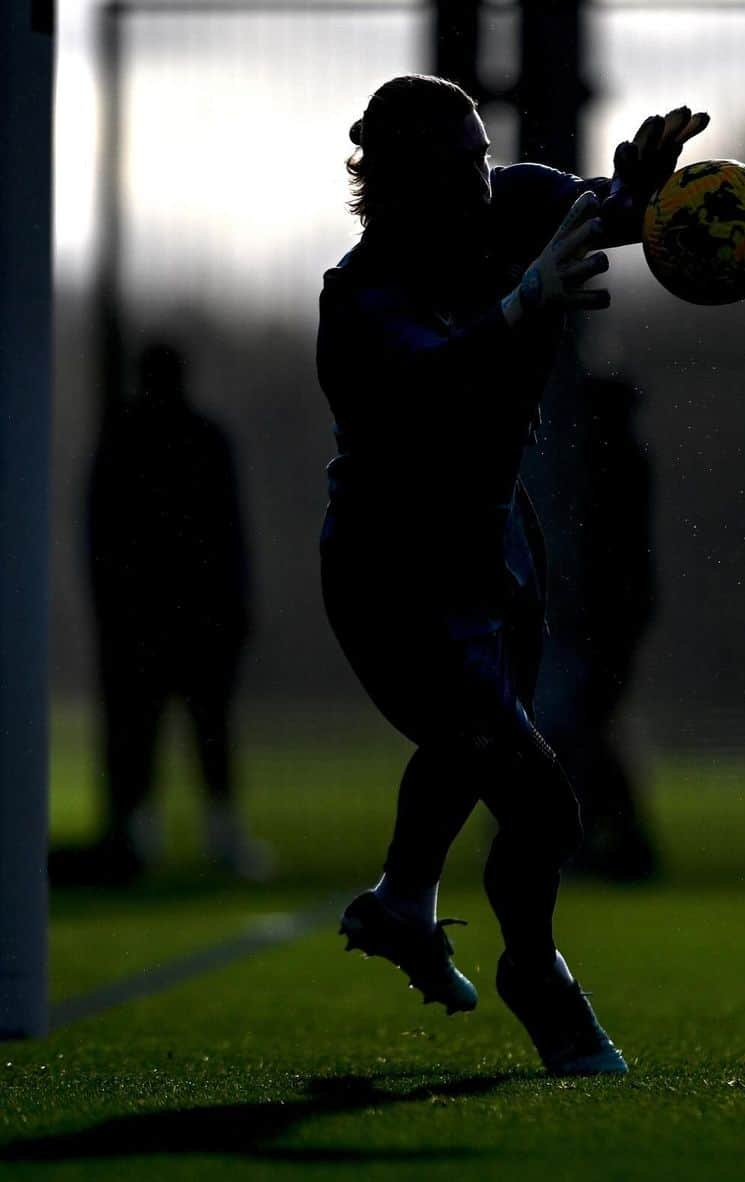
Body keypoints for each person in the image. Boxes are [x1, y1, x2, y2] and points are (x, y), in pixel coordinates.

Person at [317, 74, 707, 1075]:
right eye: (453, 169)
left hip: (492, 550)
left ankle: (406, 899)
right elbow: (432, 381)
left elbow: (603, 216)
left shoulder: (516, 203)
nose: (479, 184)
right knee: (537, 797)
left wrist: (647, 191)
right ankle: (538, 978)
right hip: (391, 572)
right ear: (394, 188)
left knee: (474, 742)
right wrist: (525, 300)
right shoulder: (356, 297)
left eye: (481, 157)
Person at [50, 343, 266, 886]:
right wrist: (236, 605)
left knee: (149, 732)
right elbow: (230, 533)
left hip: (145, 619)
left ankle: (144, 838)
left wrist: (110, 609)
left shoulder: (122, 440)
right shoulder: (201, 439)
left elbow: (98, 536)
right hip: (193, 617)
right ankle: (211, 836)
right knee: (200, 732)